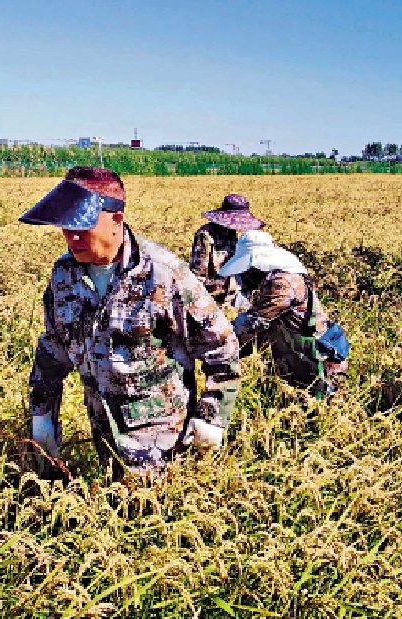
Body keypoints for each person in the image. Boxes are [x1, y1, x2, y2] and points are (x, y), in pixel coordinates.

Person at [19, 167, 241, 480]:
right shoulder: (64, 274)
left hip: (162, 443)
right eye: (67, 226)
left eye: (83, 226)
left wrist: (211, 420)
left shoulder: (163, 274)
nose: (72, 236)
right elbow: (54, 347)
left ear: (116, 220)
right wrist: (42, 415)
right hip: (104, 435)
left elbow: (223, 348)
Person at [217, 231, 347, 395]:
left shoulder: (280, 284)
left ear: (255, 266)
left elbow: (254, 321)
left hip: (319, 356)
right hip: (307, 351)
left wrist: (217, 339)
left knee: (318, 407)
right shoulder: (283, 275)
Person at [189, 194, 265, 305]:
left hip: (234, 292)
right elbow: (199, 273)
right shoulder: (205, 235)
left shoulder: (231, 233)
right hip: (213, 295)